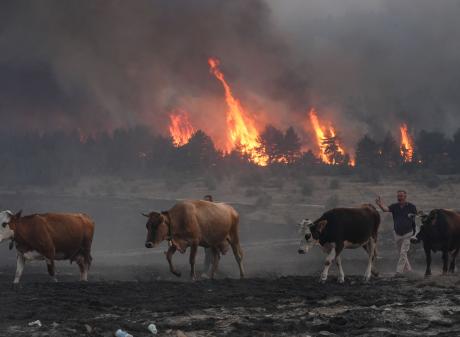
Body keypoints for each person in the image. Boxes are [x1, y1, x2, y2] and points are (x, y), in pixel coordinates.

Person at [376, 190, 417, 276]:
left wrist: (412, 218)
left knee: (403, 252)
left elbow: (416, 216)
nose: (399, 197)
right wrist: (379, 204)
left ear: (405, 197)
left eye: (401, 196)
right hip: (397, 233)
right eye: (398, 196)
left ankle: (399, 272)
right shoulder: (394, 206)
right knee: (401, 253)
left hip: (408, 232)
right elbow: (385, 209)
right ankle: (409, 270)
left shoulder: (411, 207)